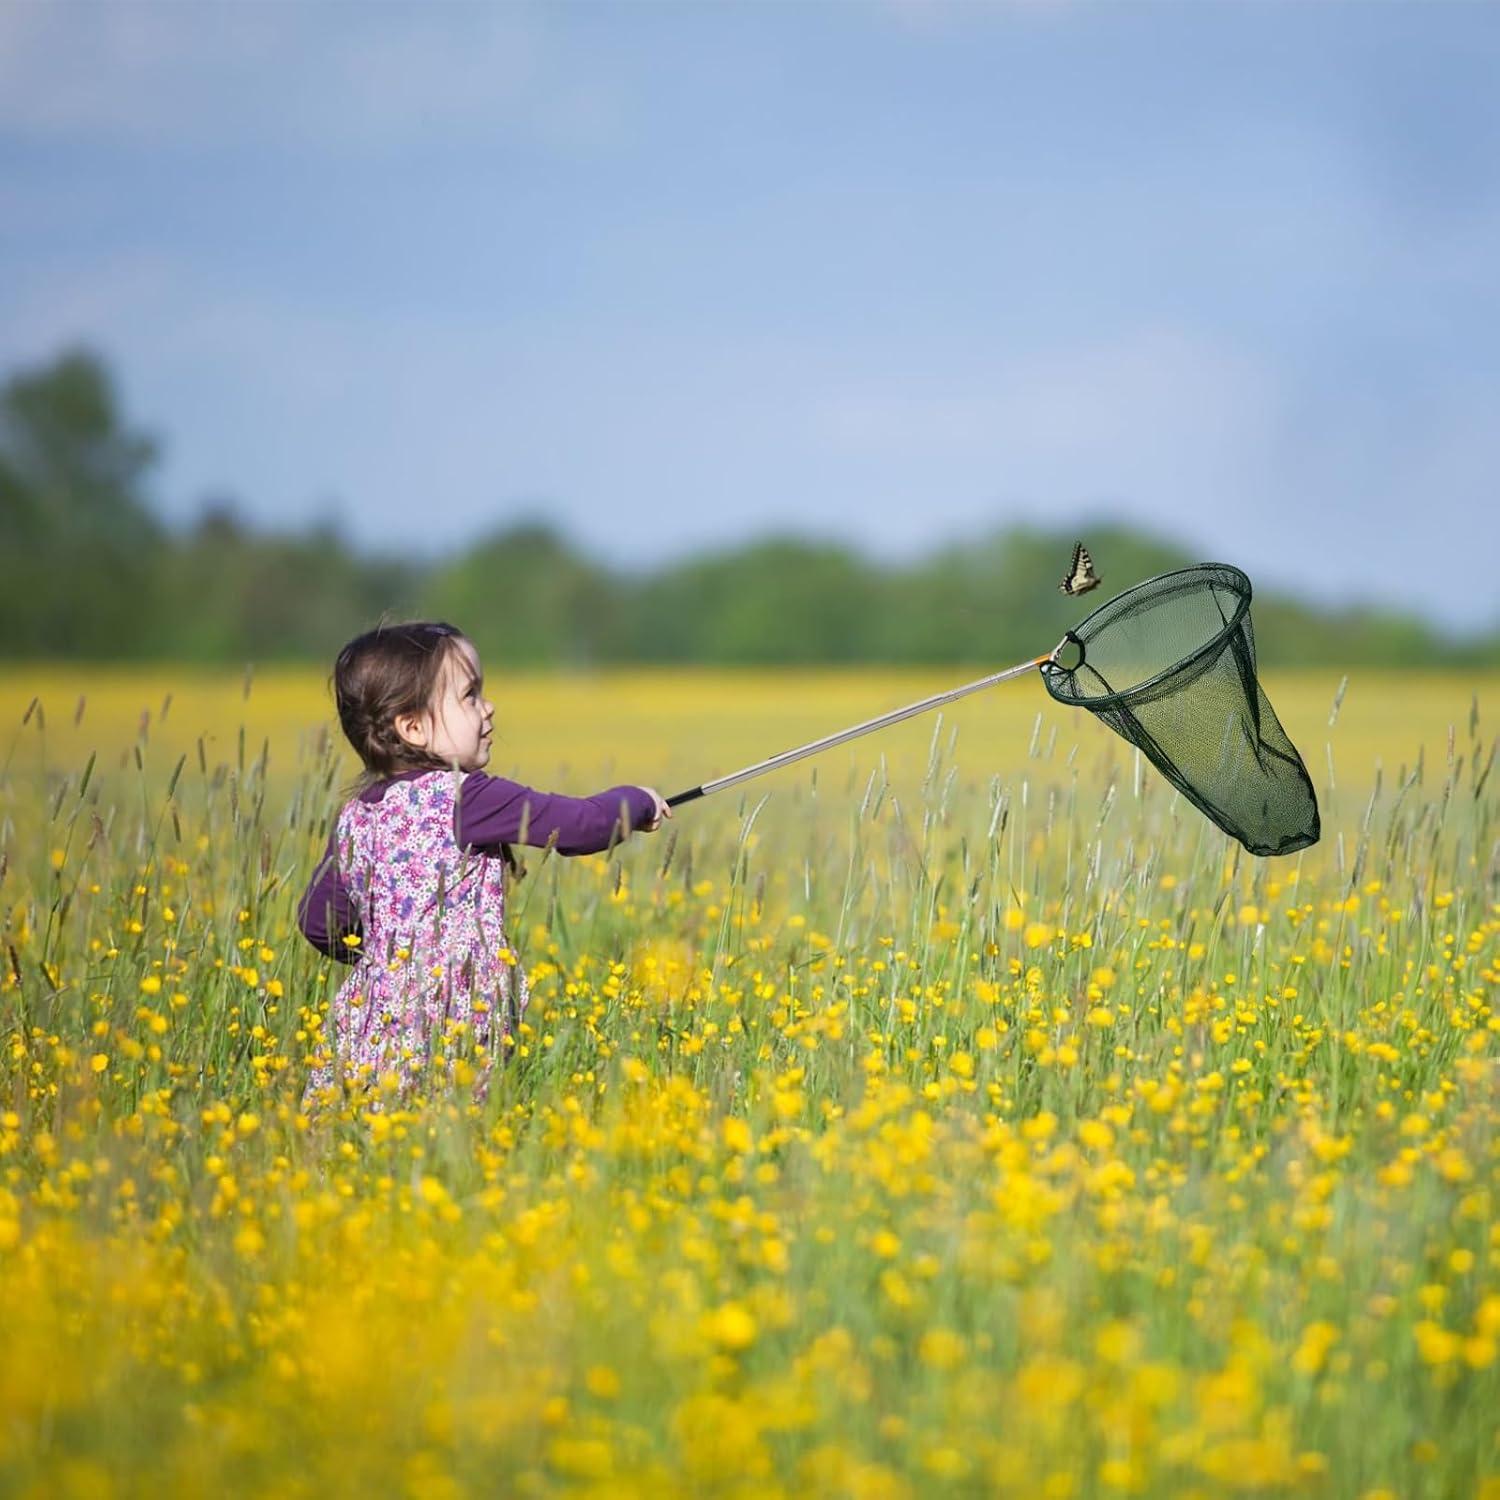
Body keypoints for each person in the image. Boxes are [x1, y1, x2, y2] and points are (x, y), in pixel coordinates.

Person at [296, 620, 668, 1108]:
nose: (488, 708)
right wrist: (637, 801)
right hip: (449, 1022)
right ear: (414, 726)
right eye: (470, 696)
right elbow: (581, 826)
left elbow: (319, 921)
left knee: (355, 1139)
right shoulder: (469, 797)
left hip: (370, 1022)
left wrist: (392, 961)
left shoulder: (357, 815)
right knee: (445, 1141)